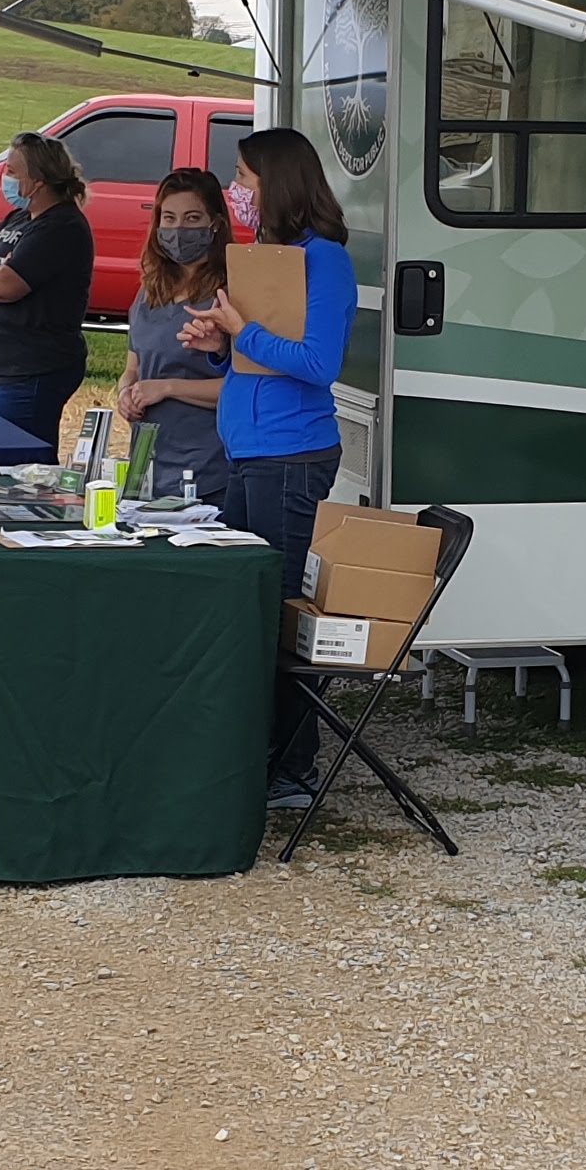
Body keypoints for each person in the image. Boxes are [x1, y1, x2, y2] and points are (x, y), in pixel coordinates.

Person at [179, 127, 357, 809]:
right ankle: (259, 753)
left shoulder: (325, 261)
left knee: (279, 610)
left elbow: (317, 364)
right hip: (250, 449)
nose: (236, 191)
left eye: (244, 178)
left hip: (291, 453)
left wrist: (243, 330)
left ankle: (295, 770)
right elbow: (260, 360)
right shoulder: (270, 257)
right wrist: (221, 344)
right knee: (250, 606)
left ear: (276, 183)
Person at [0, 131, 92, 449]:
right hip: (0, 366)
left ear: (38, 180)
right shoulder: (18, 219)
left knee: (22, 462)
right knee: (0, 454)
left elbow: (4, 287)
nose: (6, 178)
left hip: (33, 368)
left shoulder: (61, 227)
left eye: (12, 172)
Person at [115, 167, 236, 507]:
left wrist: (167, 388)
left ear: (214, 224)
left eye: (192, 217)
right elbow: (133, 367)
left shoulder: (230, 293)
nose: (178, 229)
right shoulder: (150, 291)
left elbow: (243, 386)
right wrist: (126, 393)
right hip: (148, 465)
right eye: (168, 218)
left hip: (207, 471)